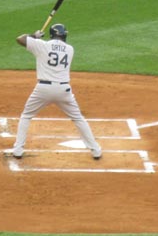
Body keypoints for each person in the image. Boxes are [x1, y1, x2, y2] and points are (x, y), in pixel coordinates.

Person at [11, 24, 102, 160]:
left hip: (43, 89)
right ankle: (96, 150)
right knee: (78, 118)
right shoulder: (70, 49)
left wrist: (34, 36)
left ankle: (18, 150)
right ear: (64, 35)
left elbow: (20, 39)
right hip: (63, 90)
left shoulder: (42, 45)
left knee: (26, 116)